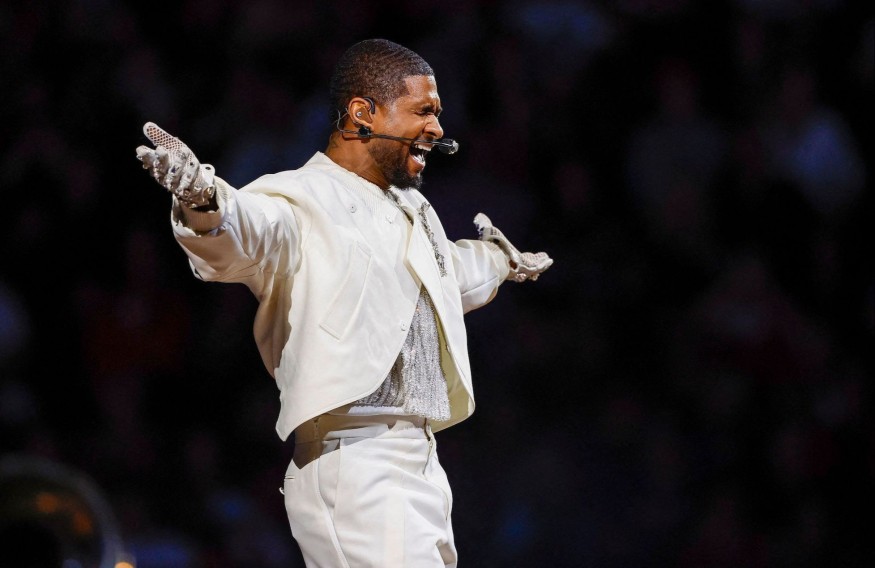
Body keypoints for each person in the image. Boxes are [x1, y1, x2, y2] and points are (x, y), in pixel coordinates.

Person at [136, 38, 552, 568]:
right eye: (423, 111)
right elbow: (246, 229)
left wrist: (501, 259)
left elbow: (445, 275)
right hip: (355, 463)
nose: (437, 128)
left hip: (422, 463)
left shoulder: (413, 208)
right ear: (362, 113)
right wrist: (203, 197)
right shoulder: (298, 197)